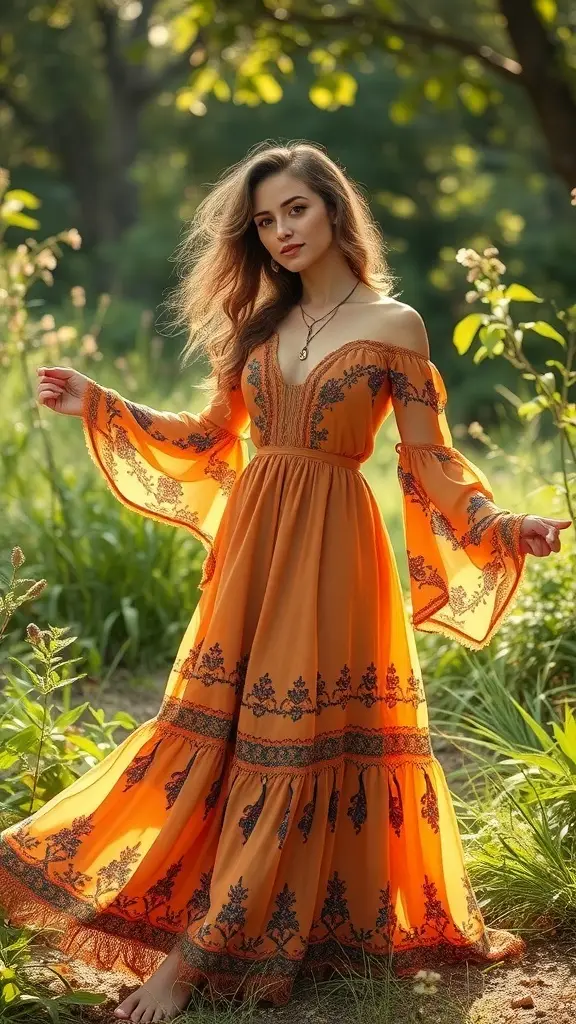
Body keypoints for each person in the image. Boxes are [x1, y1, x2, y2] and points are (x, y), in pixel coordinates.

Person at [0, 140, 571, 1023]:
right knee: (218, 731)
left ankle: (188, 968)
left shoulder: (396, 325)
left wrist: (503, 527)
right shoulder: (259, 325)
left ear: (334, 209)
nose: (279, 232)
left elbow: (429, 463)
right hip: (254, 547)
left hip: (336, 553)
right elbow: (205, 436)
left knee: (290, 745)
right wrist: (102, 401)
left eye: (294, 210)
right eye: (265, 221)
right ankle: (204, 920)